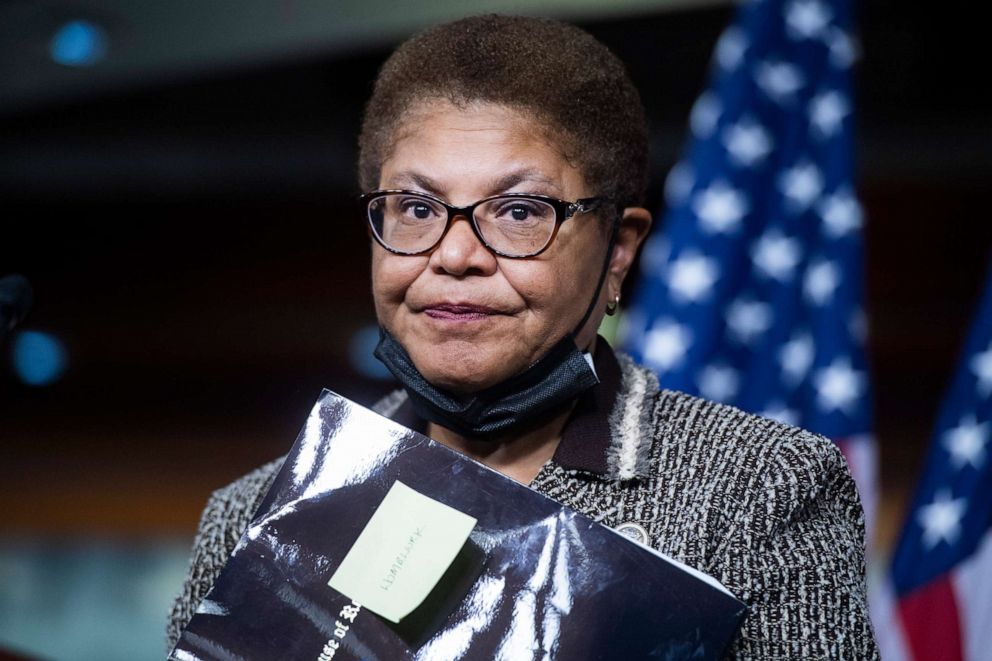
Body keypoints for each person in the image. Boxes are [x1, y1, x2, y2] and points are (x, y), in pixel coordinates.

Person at [167, 14, 878, 658]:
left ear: (619, 250)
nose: (454, 254)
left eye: (518, 211)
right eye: (416, 207)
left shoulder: (758, 489)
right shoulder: (254, 510)